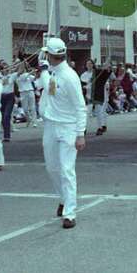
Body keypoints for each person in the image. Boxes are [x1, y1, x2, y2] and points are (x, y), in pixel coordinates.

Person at [40, 38, 86, 229]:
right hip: (51, 125)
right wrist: (43, 70)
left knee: (67, 169)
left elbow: (80, 107)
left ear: (52, 56)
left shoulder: (69, 76)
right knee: (52, 167)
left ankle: (70, 212)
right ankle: (63, 198)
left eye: (46, 54)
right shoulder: (53, 72)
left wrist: (80, 133)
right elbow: (47, 86)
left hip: (68, 128)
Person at [0, 61, 17, 142]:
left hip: (10, 96)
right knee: (2, 116)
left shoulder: (12, 75)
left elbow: (20, 71)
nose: (6, 69)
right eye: (4, 68)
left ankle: (7, 135)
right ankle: (6, 135)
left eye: (7, 68)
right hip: (1, 97)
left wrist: (22, 62)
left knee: (7, 115)